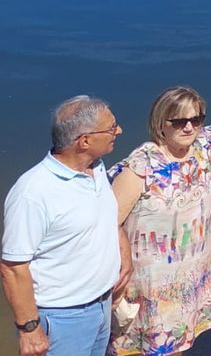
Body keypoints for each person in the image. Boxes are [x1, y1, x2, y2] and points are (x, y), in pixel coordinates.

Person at [110, 88, 211, 356]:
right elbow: (110, 222)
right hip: (151, 279)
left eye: (196, 120)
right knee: (147, 347)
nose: (189, 127)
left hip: (192, 271)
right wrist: (122, 264)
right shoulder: (142, 165)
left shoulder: (203, 150)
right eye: (178, 121)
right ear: (160, 123)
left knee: (178, 343)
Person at [3, 96, 126, 356]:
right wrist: (29, 329)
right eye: (112, 127)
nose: (119, 131)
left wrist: (123, 253)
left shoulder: (96, 167)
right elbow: (13, 267)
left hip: (102, 304)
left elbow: (106, 215)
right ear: (84, 141)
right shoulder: (33, 193)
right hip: (62, 319)